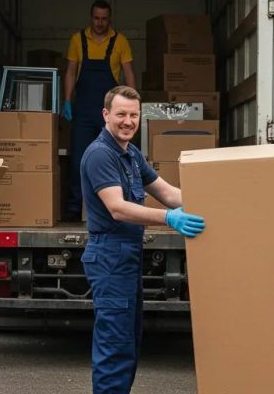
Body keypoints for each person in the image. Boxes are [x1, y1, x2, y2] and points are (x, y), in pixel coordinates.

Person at [80, 86, 205, 393]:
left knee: (129, 343)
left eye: (134, 115)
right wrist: (169, 219)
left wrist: (209, 202)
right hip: (109, 257)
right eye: (121, 114)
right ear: (106, 115)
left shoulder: (131, 154)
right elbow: (118, 208)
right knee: (115, 346)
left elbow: (167, 192)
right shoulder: (100, 154)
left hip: (126, 257)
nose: (128, 121)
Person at [62, 0, 136, 221]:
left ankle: (115, 209)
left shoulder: (120, 41)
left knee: (113, 158)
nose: (100, 23)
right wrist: (67, 100)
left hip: (110, 111)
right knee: (78, 161)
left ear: (109, 19)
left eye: (104, 19)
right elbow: (71, 72)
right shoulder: (77, 40)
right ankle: (74, 209)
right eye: (96, 18)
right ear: (91, 17)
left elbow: (129, 73)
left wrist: (132, 105)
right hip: (83, 109)